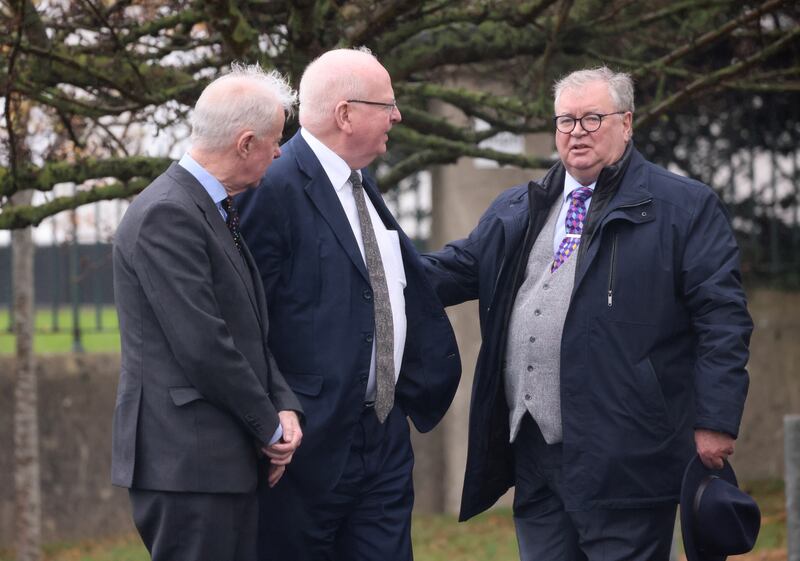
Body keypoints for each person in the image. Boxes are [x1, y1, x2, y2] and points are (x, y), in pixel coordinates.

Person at [422, 66, 753, 561]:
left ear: (627, 123)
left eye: (592, 119)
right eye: (566, 120)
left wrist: (715, 419)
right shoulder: (519, 207)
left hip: (630, 456)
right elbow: (452, 270)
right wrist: (373, 264)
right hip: (534, 452)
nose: (577, 132)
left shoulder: (683, 207)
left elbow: (722, 320)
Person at [237, 47, 461, 561]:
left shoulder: (359, 182)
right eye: (387, 104)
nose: (397, 116)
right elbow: (245, 318)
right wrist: (270, 419)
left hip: (382, 438)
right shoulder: (272, 186)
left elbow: (382, 284)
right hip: (306, 444)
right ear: (345, 114)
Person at [111, 63, 303, 561]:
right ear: (245, 143)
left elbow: (248, 329)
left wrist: (282, 404)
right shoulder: (168, 213)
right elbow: (204, 345)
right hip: (187, 466)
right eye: (274, 141)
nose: (279, 152)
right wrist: (270, 427)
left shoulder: (211, 207)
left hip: (216, 464)